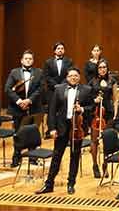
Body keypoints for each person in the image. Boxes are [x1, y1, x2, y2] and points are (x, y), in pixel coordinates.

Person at [37, 66, 94, 195]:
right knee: (57, 156)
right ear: (67, 78)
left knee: (74, 156)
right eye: (70, 76)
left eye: (76, 76)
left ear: (79, 77)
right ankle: (49, 184)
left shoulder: (87, 90)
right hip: (62, 126)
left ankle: (71, 184)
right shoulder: (59, 89)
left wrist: (82, 109)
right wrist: (51, 128)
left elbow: (92, 107)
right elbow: (52, 110)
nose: (73, 78)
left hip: (77, 127)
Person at [4, 50, 43, 167]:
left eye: (30, 59)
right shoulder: (14, 72)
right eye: (26, 58)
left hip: (34, 107)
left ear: (33, 60)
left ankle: (32, 157)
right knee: (18, 133)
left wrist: (29, 100)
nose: (28, 60)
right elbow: (8, 89)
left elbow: (40, 89)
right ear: (22, 60)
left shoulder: (39, 72)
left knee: (32, 133)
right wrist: (19, 101)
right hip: (17, 108)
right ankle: (16, 156)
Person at [88, 58, 119, 178]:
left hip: (108, 113)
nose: (102, 70)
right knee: (94, 140)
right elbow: (87, 97)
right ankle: (95, 165)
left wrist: (116, 114)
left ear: (107, 69)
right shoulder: (92, 82)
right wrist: (94, 100)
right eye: (100, 67)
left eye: (104, 67)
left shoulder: (113, 81)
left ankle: (105, 165)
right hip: (96, 113)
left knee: (106, 140)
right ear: (97, 69)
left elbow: (116, 99)